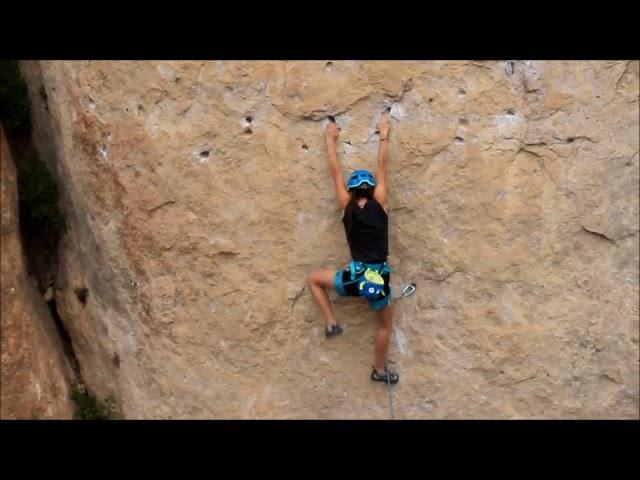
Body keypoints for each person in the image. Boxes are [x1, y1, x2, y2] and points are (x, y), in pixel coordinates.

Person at [307, 109, 399, 384]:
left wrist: (329, 140)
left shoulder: (346, 207)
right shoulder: (379, 203)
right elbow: (382, 169)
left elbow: (335, 172)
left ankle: (331, 322)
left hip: (355, 277)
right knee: (384, 326)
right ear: (371, 191)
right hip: (377, 278)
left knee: (314, 279)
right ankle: (379, 371)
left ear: (351, 191)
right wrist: (383, 134)